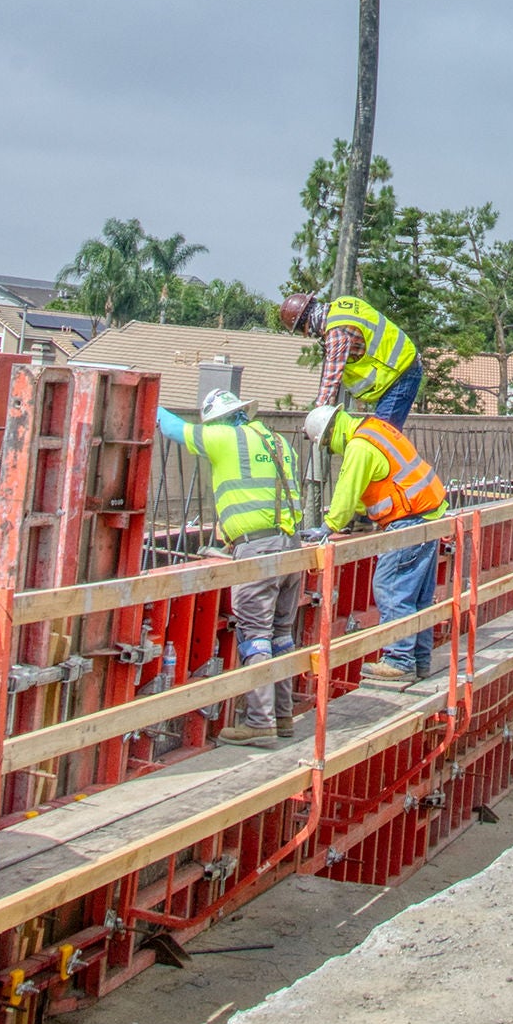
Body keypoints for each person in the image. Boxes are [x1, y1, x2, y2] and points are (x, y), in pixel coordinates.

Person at [156, 388, 303, 745]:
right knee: (281, 635)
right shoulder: (278, 442)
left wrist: (148, 401)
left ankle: (260, 722)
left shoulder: (224, 437)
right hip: (292, 546)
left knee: (255, 636)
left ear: (219, 419)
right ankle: (283, 717)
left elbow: (174, 428)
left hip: (258, 550)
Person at [311, 408, 450, 689]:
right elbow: (376, 485)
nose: (332, 450)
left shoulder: (359, 445)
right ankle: (419, 660)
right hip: (428, 515)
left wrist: (329, 526)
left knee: (391, 588)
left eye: (327, 444)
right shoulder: (376, 429)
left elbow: (347, 491)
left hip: (407, 521)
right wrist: (360, 517)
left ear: (330, 434)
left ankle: (398, 661)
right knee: (418, 597)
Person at [279, 293, 423, 440]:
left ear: (306, 322)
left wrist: (315, 421)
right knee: (381, 439)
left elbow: (330, 381)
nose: (304, 335)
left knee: (381, 440)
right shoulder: (343, 304)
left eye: (300, 330)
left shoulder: (337, 332)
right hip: (401, 366)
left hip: (401, 374)